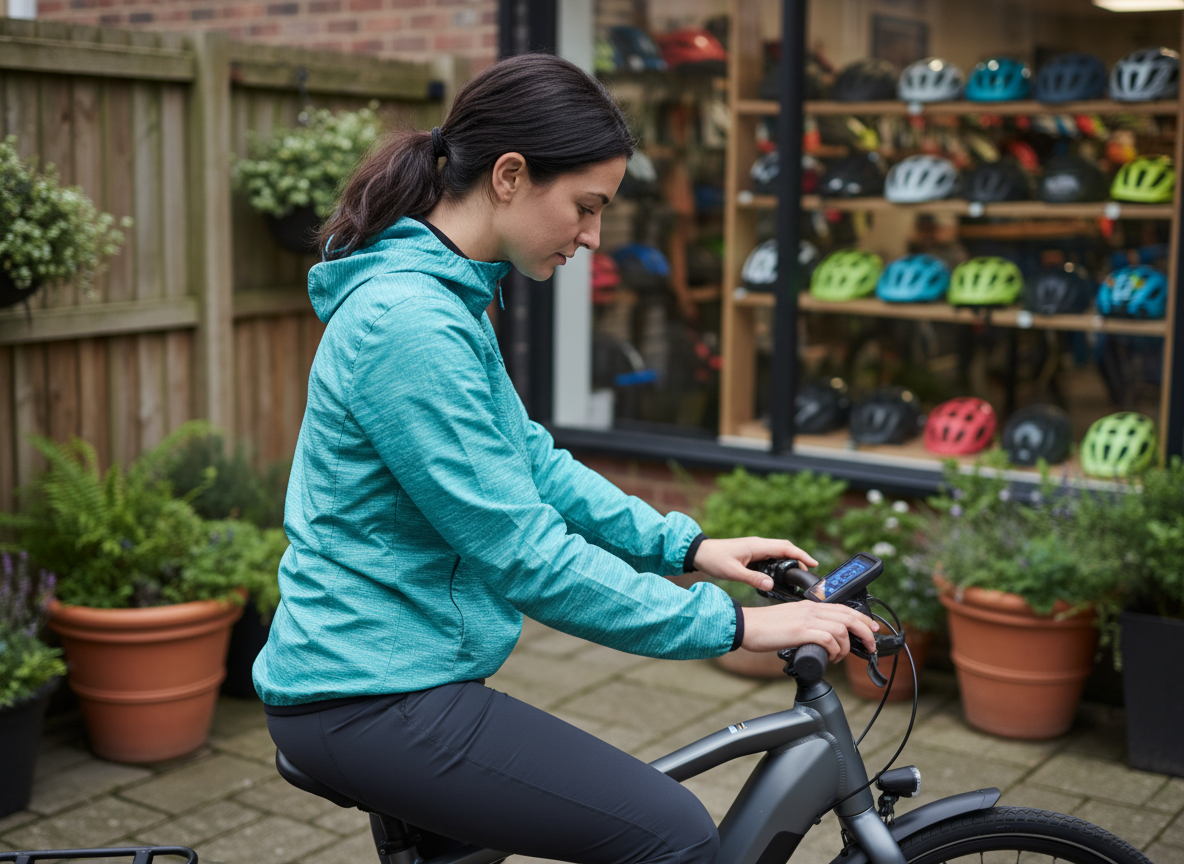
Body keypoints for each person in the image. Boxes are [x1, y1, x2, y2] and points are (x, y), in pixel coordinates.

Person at [254, 53, 877, 864]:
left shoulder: (446, 296)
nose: (593, 236)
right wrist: (733, 626)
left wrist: (685, 546)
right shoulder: (410, 323)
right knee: (674, 834)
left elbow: (532, 463)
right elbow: (523, 555)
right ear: (510, 176)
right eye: (587, 206)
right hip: (369, 695)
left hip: (401, 675)